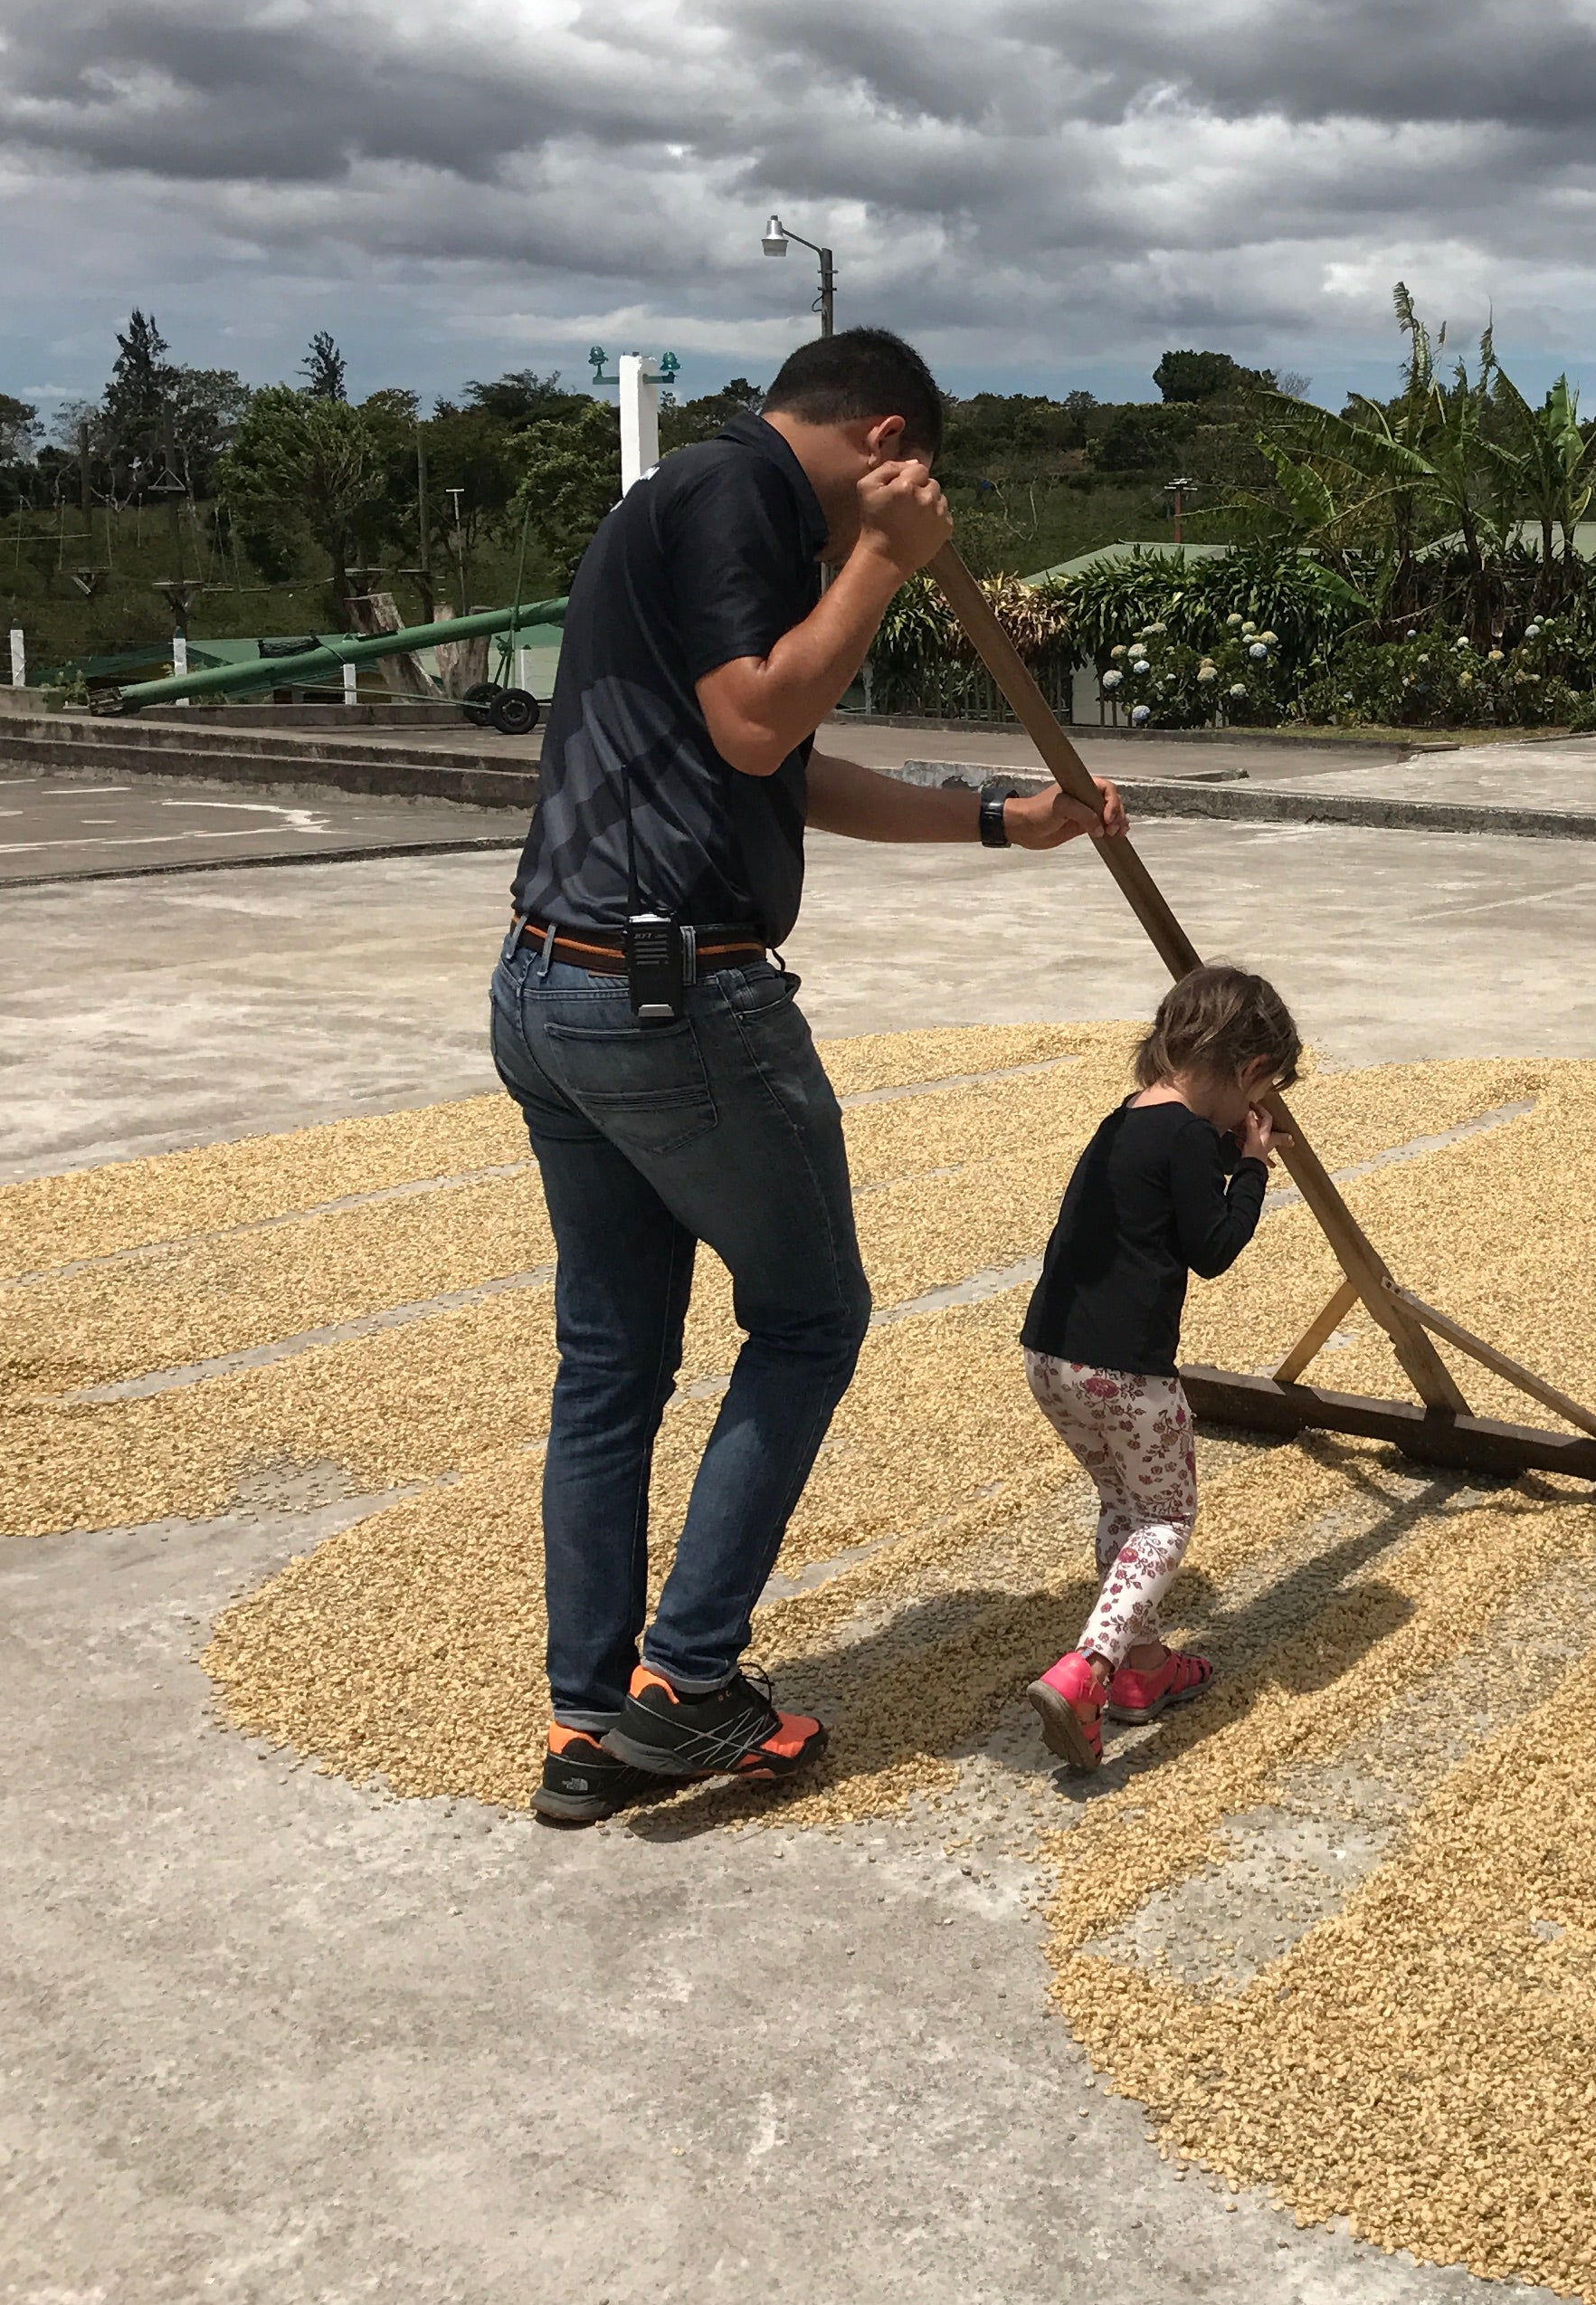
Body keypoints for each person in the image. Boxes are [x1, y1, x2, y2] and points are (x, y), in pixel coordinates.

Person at [496, 325, 1124, 1830]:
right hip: (673, 997)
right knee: (810, 1314)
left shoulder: (696, 510)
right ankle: (691, 1680)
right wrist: (888, 560)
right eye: (903, 483)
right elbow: (762, 714)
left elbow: (778, 768)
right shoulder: (738, 497)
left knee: (614, 1358)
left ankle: (595, 1721)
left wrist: (992, 818)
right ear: (889, 436)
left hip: (555, 983)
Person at [1017, 965, 1303, 1771]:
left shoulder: (1130, 1120)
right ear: (1249, 1073)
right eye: (1262, 1088)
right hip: (1128, 1376)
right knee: (1167, 1520)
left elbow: (1170, 1175)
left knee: (1122, 1503)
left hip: (1051, 1358)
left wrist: (1225, 1143)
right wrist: (1251, 1167)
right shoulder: (1188, 1138)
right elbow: (1211, 1249)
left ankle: (1146, 1673)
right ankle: (1091, 1669)